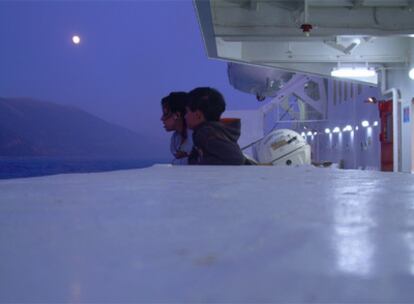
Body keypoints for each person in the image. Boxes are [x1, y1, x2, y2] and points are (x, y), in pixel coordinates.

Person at [185, 87, 246, 165]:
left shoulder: (205, 133)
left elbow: (236, 158)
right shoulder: (211, 131)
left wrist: (201, 165)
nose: (185, 116)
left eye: (187, 112)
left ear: (198, 115)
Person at [161, 92, 192, 165]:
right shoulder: (176, 138)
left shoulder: (197, 136)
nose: (162, 118)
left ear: (177, 115)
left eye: (165, 113)